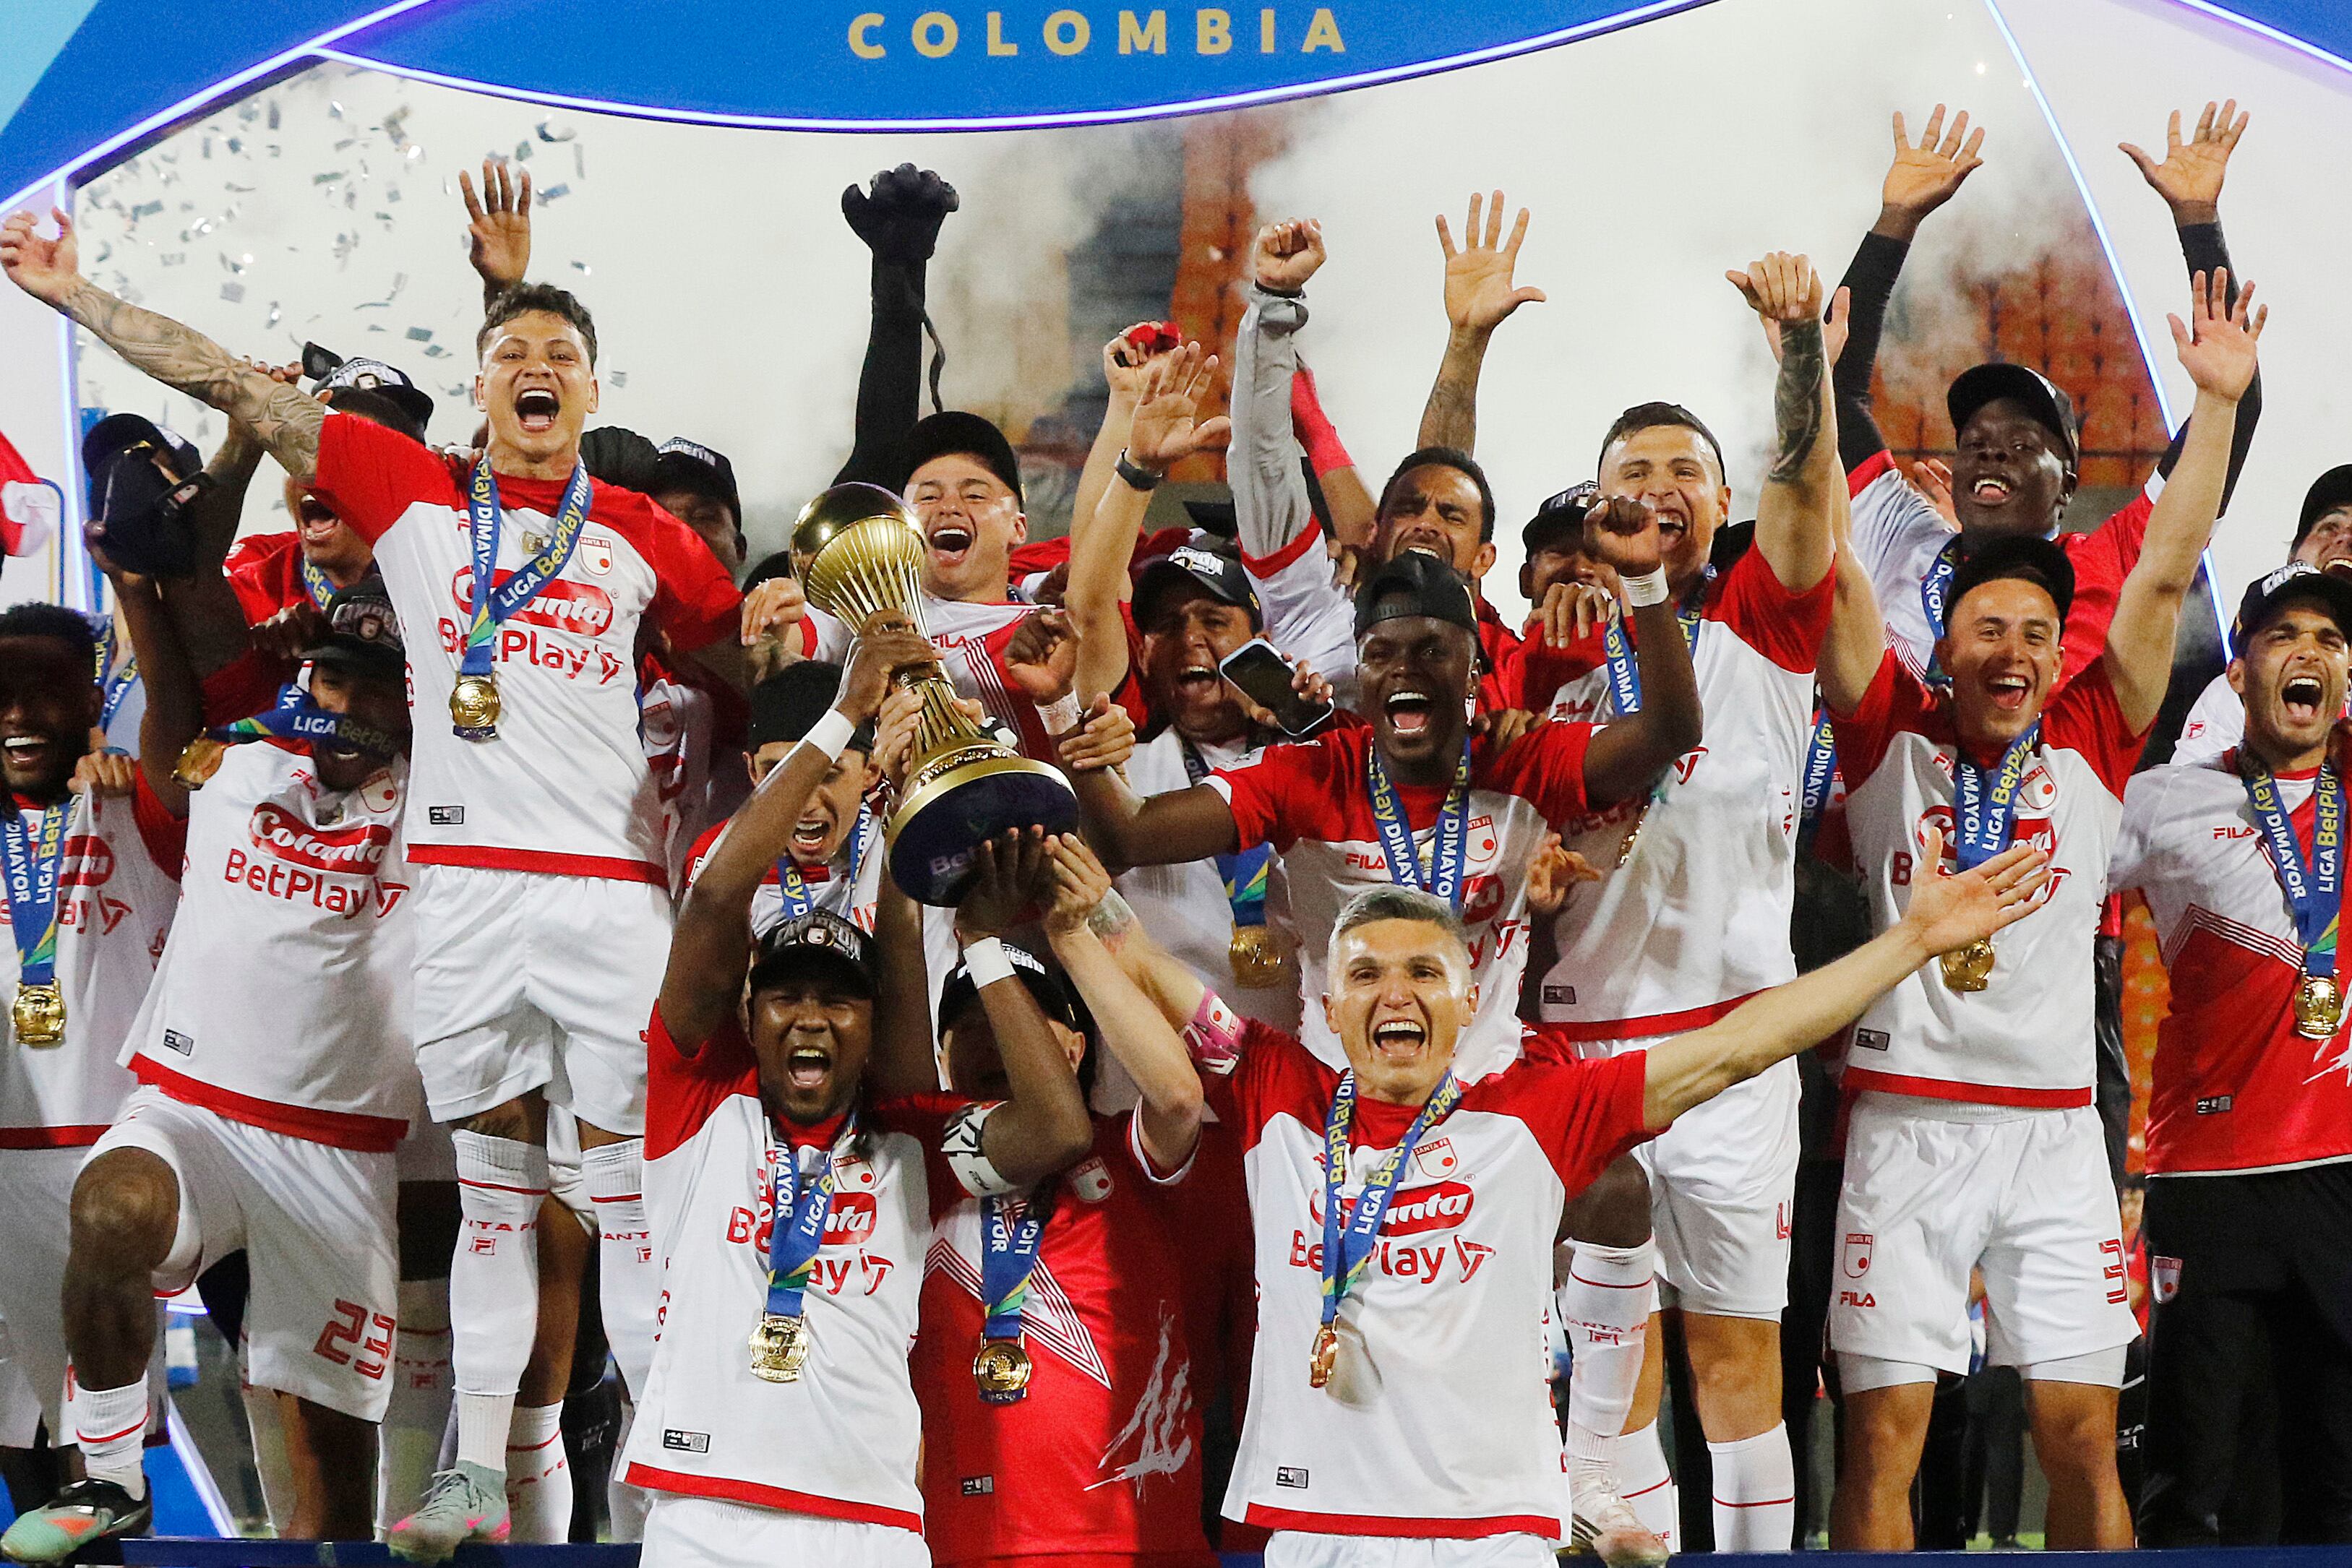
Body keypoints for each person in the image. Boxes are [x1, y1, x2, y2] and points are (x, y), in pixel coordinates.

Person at [0, 202, 760, 1561]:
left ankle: (672, 1473)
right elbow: (230, 379)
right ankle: (473, 1475)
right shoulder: (410, 493)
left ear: (592, 387)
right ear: (477, 392)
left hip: (602, 897)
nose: (537, 366)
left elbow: (751, 667)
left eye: (560, 352)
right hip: (468, 892)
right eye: (510, 348)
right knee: (497, 1195)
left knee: (629, 1203)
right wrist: (76, 294)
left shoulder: (646, 531)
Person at [1047, 830, 2043, 1562]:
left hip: (1493, 1532)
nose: (1394, 992)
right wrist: (1069, 905)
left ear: (1466, 998)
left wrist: (1911, 941)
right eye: (1366, 974)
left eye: (1423, 971)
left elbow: (1745, 1041)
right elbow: (1131, 953)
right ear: (1332, 1003)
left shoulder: (1535, 1112)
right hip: (1316, 1528)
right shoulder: (1272, 1089)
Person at [1818, 265, 2262, 1551]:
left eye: (2031, 628)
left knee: (2077, 1443)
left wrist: (2216, 405)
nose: (2008, 648)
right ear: (1940, 646)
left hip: (2057, 1135)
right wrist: (1804, 378)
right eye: (1982, 626)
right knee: (1881, 1448)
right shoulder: (1883, 737)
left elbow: (2165, 562)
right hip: (1900, 1129)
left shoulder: (2087, 736)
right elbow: (1829, 567)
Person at [617, 621, 1094, 1568]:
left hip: (866, 1528)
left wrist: (988, 939)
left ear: (872, 1028)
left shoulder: (907, 1144)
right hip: (699, 1521)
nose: (808, 1019)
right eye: (785, 995)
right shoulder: (699, 1103)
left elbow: (1056, 1126)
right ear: (747, 1017)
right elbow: (714, 902)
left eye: (838, 1001)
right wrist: (843, 715)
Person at [1523, 254, 1843, 1554]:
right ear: (1593, 509)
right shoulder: (1534, 655)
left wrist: (1794, 356)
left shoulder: (1764, 635)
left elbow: (1807, 488)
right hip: (1573, 1039)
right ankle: (1612, 1534)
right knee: (1607, 1355)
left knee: (1731, 1358)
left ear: (1721, 505)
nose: (1656, 491)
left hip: (1730, 1049)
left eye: (1680, 473)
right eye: (1629, 476)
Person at [0, 569, 417, 1560]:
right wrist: (140, 578)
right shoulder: (235, 765)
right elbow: (186, 676)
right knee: (107, 1210)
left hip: (338, 1151)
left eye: (375, 688)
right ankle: (108, 1481)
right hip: (189, 1107)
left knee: (335, 1488)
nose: (346, 709)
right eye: (331, 681)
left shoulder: (447, 805)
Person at [1072, 503, 1700, 1087]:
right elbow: (1128, 835)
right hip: (1338, 1111)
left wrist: (1644, 578)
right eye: (1381, 653)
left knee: (1617, 1190)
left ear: (1473, 673)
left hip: (1481, 1103)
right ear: (1362, 678)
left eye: (1432, 651)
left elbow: (1669, 730)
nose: (1405, 668)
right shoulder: (1311, 774)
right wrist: (1061, 716)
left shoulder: (1520, 763)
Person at [883, 840, 1245, 1568]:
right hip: (967, 1549)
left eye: (1019, 1020)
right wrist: (903, 846)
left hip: (1139, 1548)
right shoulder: (925, 1154)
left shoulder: (1129, 1155)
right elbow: (893, 1015)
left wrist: (1075, 936)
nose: (993, 1040)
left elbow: (1178, 1095)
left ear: (1077, 1048)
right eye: (970, 1025)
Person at [1833, 100, 2261, 689]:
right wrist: (1895, 222)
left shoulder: (2105, 562)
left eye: (2022, 443)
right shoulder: (1905, 532)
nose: (1991, 452)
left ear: (2068, 484)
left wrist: (2197, 221)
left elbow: (2232, 410)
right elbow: (1833, 379)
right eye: (1975, 442)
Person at [2111, 561, 2352, 1544]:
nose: (2306, 652)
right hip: (2206, 1178)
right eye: (2280, 634)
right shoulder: (2160, 799)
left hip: (2339, 1176)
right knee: (2193, 1474)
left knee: (2337, 1467)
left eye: (2330, 639)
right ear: (2239, 668)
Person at [0, 603, 179, 1498]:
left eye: (45, 691)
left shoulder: (133, 803)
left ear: (91, 698)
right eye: (2, 693)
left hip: (100, 1167)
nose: (19, 714)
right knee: (21, 1461)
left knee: (103, 1469)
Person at [1227, 208, 1542, 709]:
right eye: (1408, 510)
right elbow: (1261, 460)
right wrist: (1274, 301)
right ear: (1376, 530)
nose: (1424, 524)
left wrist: (1467, 341)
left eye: (1451, 516)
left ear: (1485, 558)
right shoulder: (1311, 600)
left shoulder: (1507, 662)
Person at [680, 662, 918, 937]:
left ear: (871, 769)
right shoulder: (719, 857)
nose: (804, 804)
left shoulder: (912, 825)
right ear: (752, 771)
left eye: (828, 775)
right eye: (777, 774)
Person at [2174, 465, 2352, 764]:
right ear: (2292, 559)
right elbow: (2187, 800)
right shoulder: (2243, 690)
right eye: (2329, 527)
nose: (2345, 540)